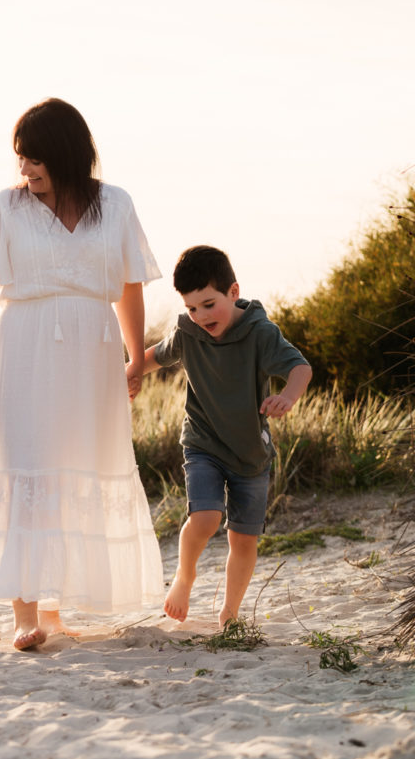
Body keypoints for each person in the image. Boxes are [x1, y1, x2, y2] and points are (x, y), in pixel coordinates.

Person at [0, 98, 164, 651]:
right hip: (28, 345)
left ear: (66, 154)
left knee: (81, 464)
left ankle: (54, 605)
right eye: (20, 159)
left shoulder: (116, 205)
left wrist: (135, 356)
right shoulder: (6, 209)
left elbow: (130, 284)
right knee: (28, 466)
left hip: (95, 349)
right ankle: (24, 614)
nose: (25, 170)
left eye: (35, 159)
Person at [132, 245, 312, 626]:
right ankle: (185, 576)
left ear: (234, 292)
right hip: (203, 444)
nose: (200, 316)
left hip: (250, 454)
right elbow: (153, 357)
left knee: (243, 541)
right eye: (192, 308)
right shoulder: (187, 332)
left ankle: (229, 612)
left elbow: (300, 368)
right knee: (206, 517)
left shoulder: (260, 333)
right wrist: (129, 375)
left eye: (209, 304)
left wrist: (287, 396)